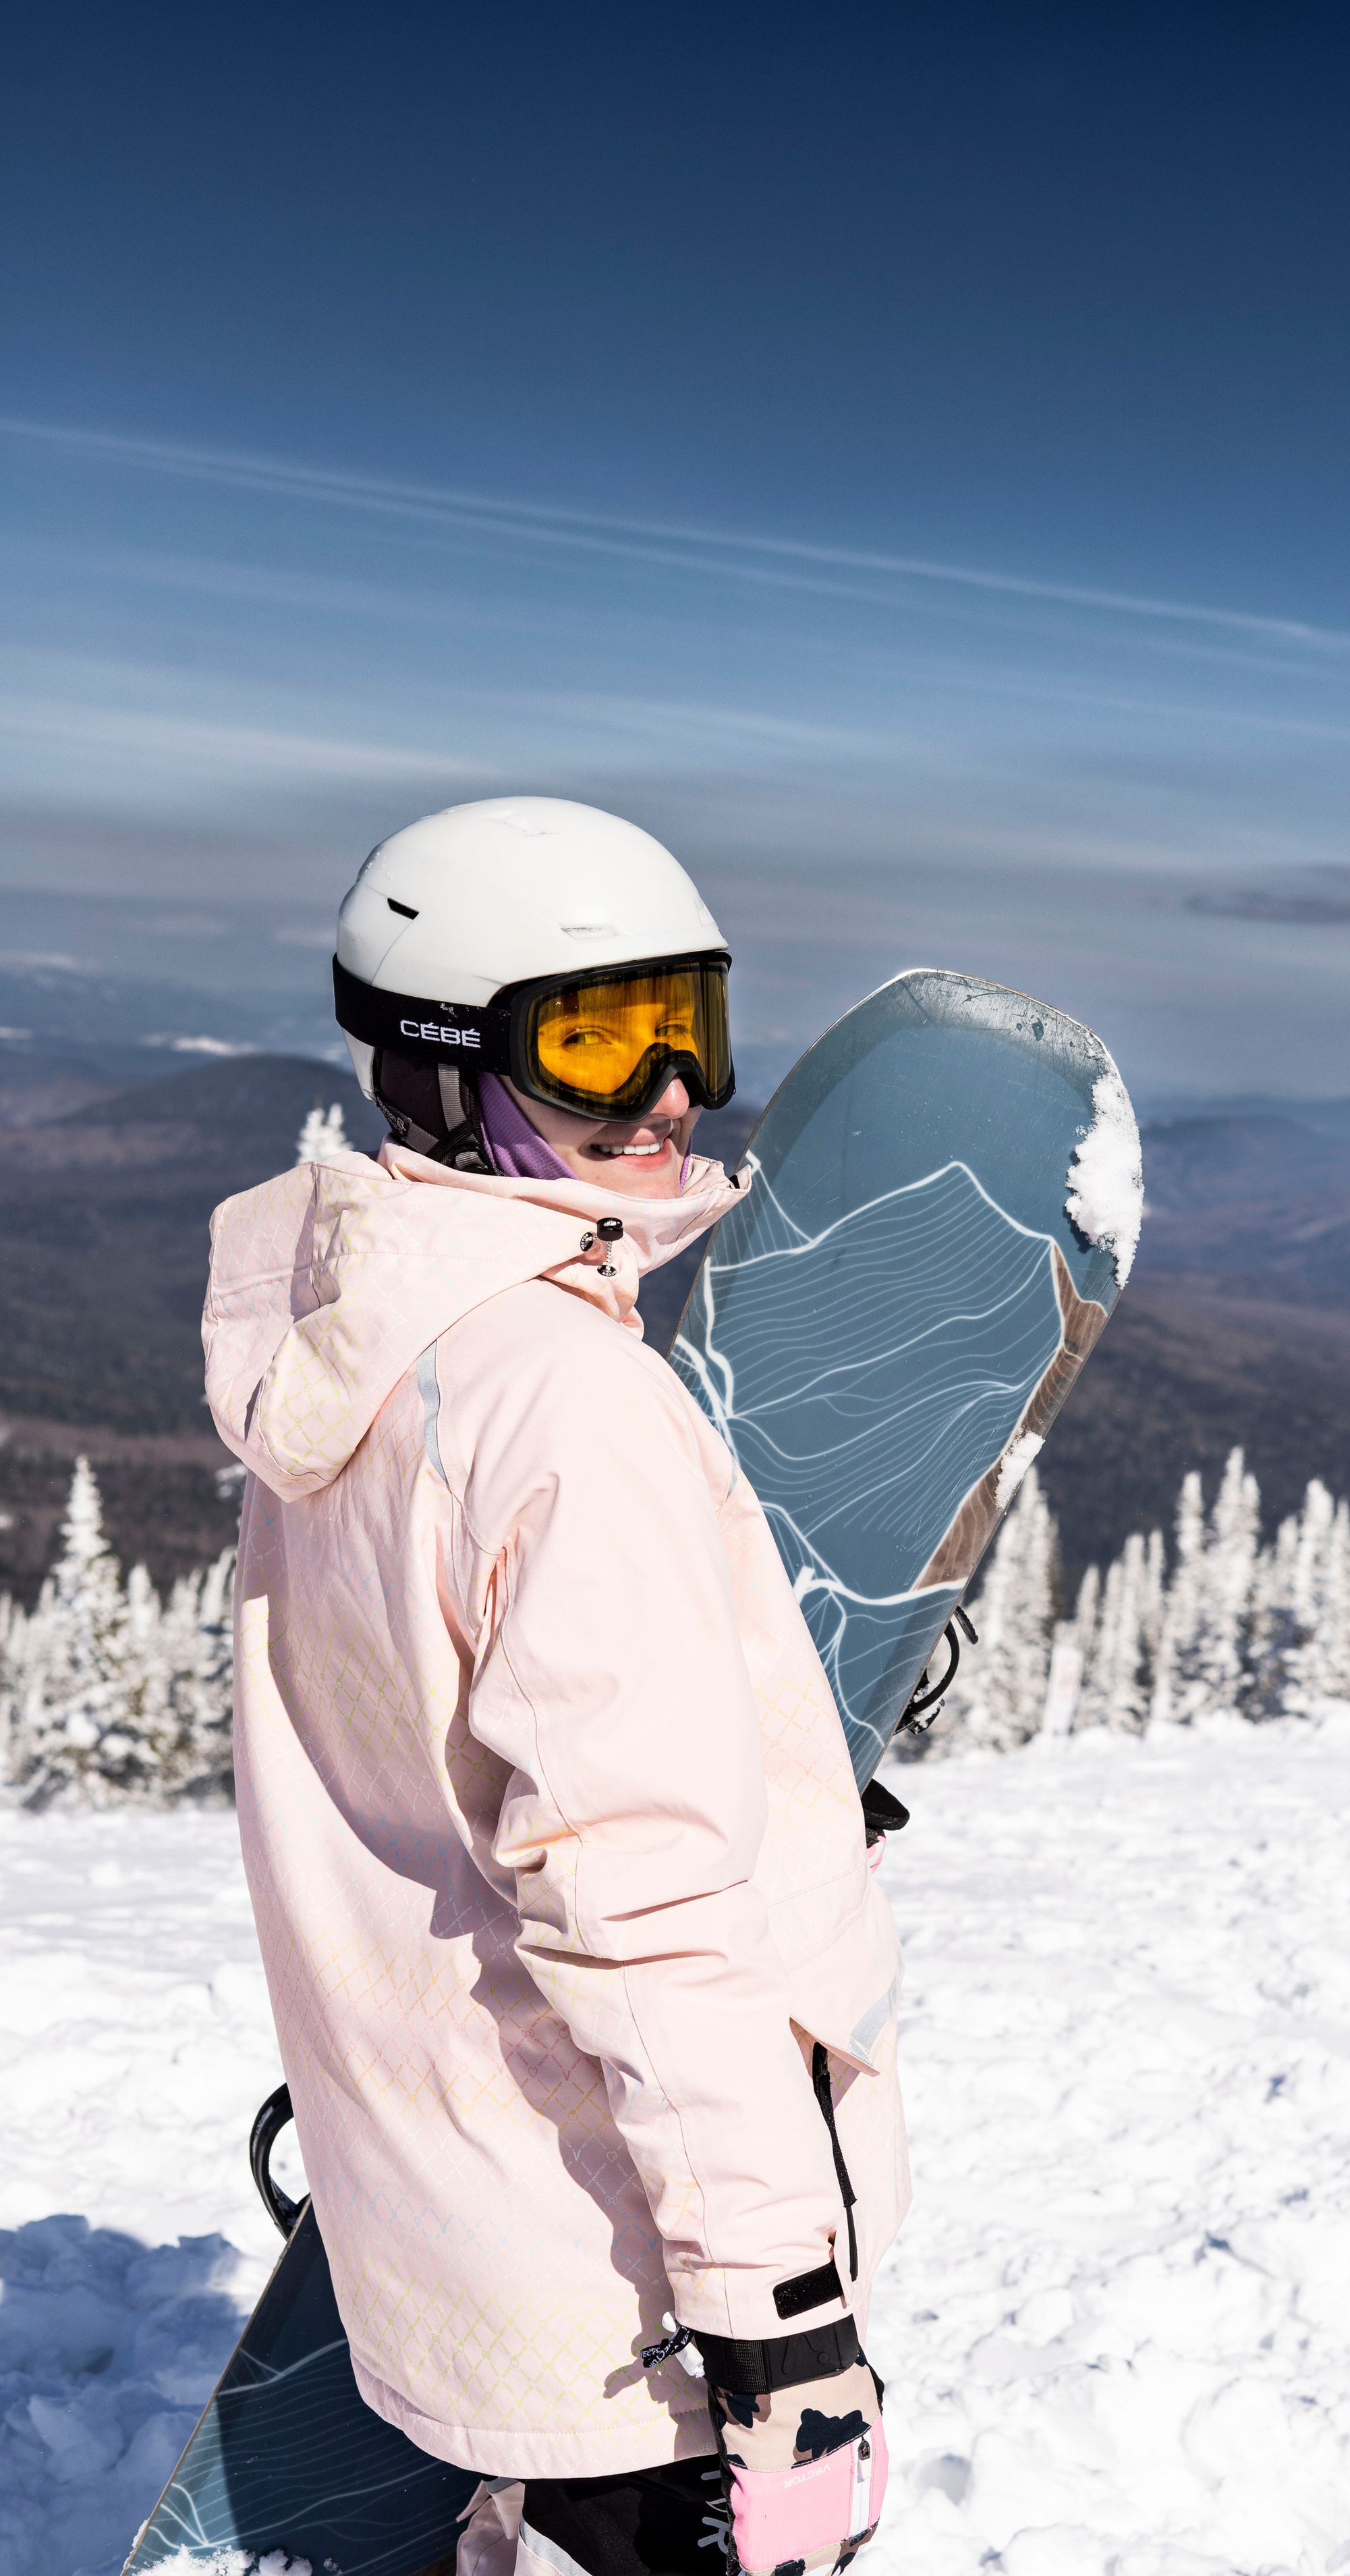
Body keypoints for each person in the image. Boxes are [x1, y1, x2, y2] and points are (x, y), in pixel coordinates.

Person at [203, 798, 909, 2576]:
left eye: (692, 1021)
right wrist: (780, 2320)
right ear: (445, 1067)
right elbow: (639, 1909)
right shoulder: (569, 1406)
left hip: (450, 2235)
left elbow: (424, 1756)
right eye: (598, 1041)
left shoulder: (372, 1358)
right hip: (633, 2293)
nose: (674, 1088)